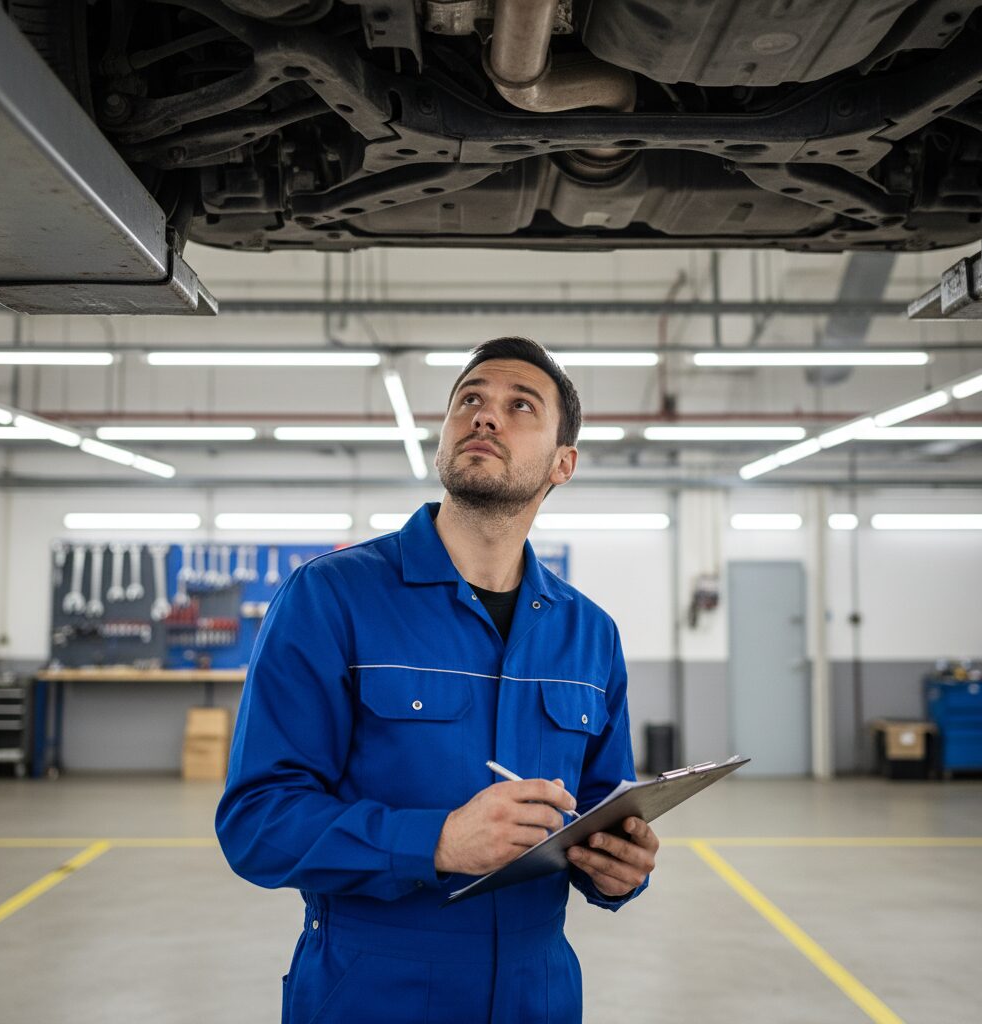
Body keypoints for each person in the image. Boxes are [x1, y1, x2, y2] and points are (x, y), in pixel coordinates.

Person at [215, 336, 659, 1024]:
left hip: (537, 992)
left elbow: (602, 809)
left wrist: (618, 873)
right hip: (369, 990)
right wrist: (437, 842)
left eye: (520, 407)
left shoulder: (590, 633)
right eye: (470, 401)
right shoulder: (331, 597)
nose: (486, 417)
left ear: (562, 464)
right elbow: (256, 823)